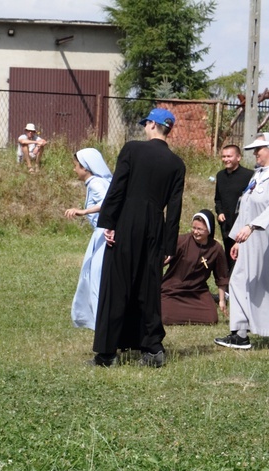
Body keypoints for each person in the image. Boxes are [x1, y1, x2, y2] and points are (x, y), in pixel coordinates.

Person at [90, 108, 186, 368]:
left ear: (153, 125)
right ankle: (152, 349)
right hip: (155, 224)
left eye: (146, 124)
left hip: (128, 221)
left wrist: (109, 223)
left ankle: (107, 354)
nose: (145, 127)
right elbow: (175, 208)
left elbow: (118, 187)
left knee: (116, 284)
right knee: (149, 287)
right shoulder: (177, 164)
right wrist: (169, 245)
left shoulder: (132, 149)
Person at [214, 132, 269, 353]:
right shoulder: (258, 175)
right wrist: (237, 239)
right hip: (250, 242)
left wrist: (252, 226)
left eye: (259, 149)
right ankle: (240, 333)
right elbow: (245, 207)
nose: (254, 153)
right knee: (238, 281)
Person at [64, 148, 113, 330]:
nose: (75, 170)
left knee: (95, 279)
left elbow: (106, 203)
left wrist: (83, 211)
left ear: (85, 167)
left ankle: (100, 322)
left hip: (102, 234)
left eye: (76, 166)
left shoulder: (95, 184)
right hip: (101, 234)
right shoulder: (99, 182)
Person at [161, 209, 229, 325]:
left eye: (200, 229)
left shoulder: (216, 249)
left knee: (211, 319)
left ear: (208, 230)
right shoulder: (181, 241)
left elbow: (221, 278)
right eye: (194, 228)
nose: (196, 232)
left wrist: (222, 301)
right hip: (172, 291)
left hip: (198, 292)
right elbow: (160, 261)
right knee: (165, 317)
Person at [214, 144, 253, 273]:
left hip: (242, 224)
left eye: (229, 156)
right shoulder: (220, 176)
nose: (226, 159)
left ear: (238, 157)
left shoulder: (249, 176)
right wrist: (219, 212)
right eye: (223, 156)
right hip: (226, 224)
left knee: (242, 255)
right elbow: (217, 198)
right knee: (229, 254)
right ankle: (229, 285)